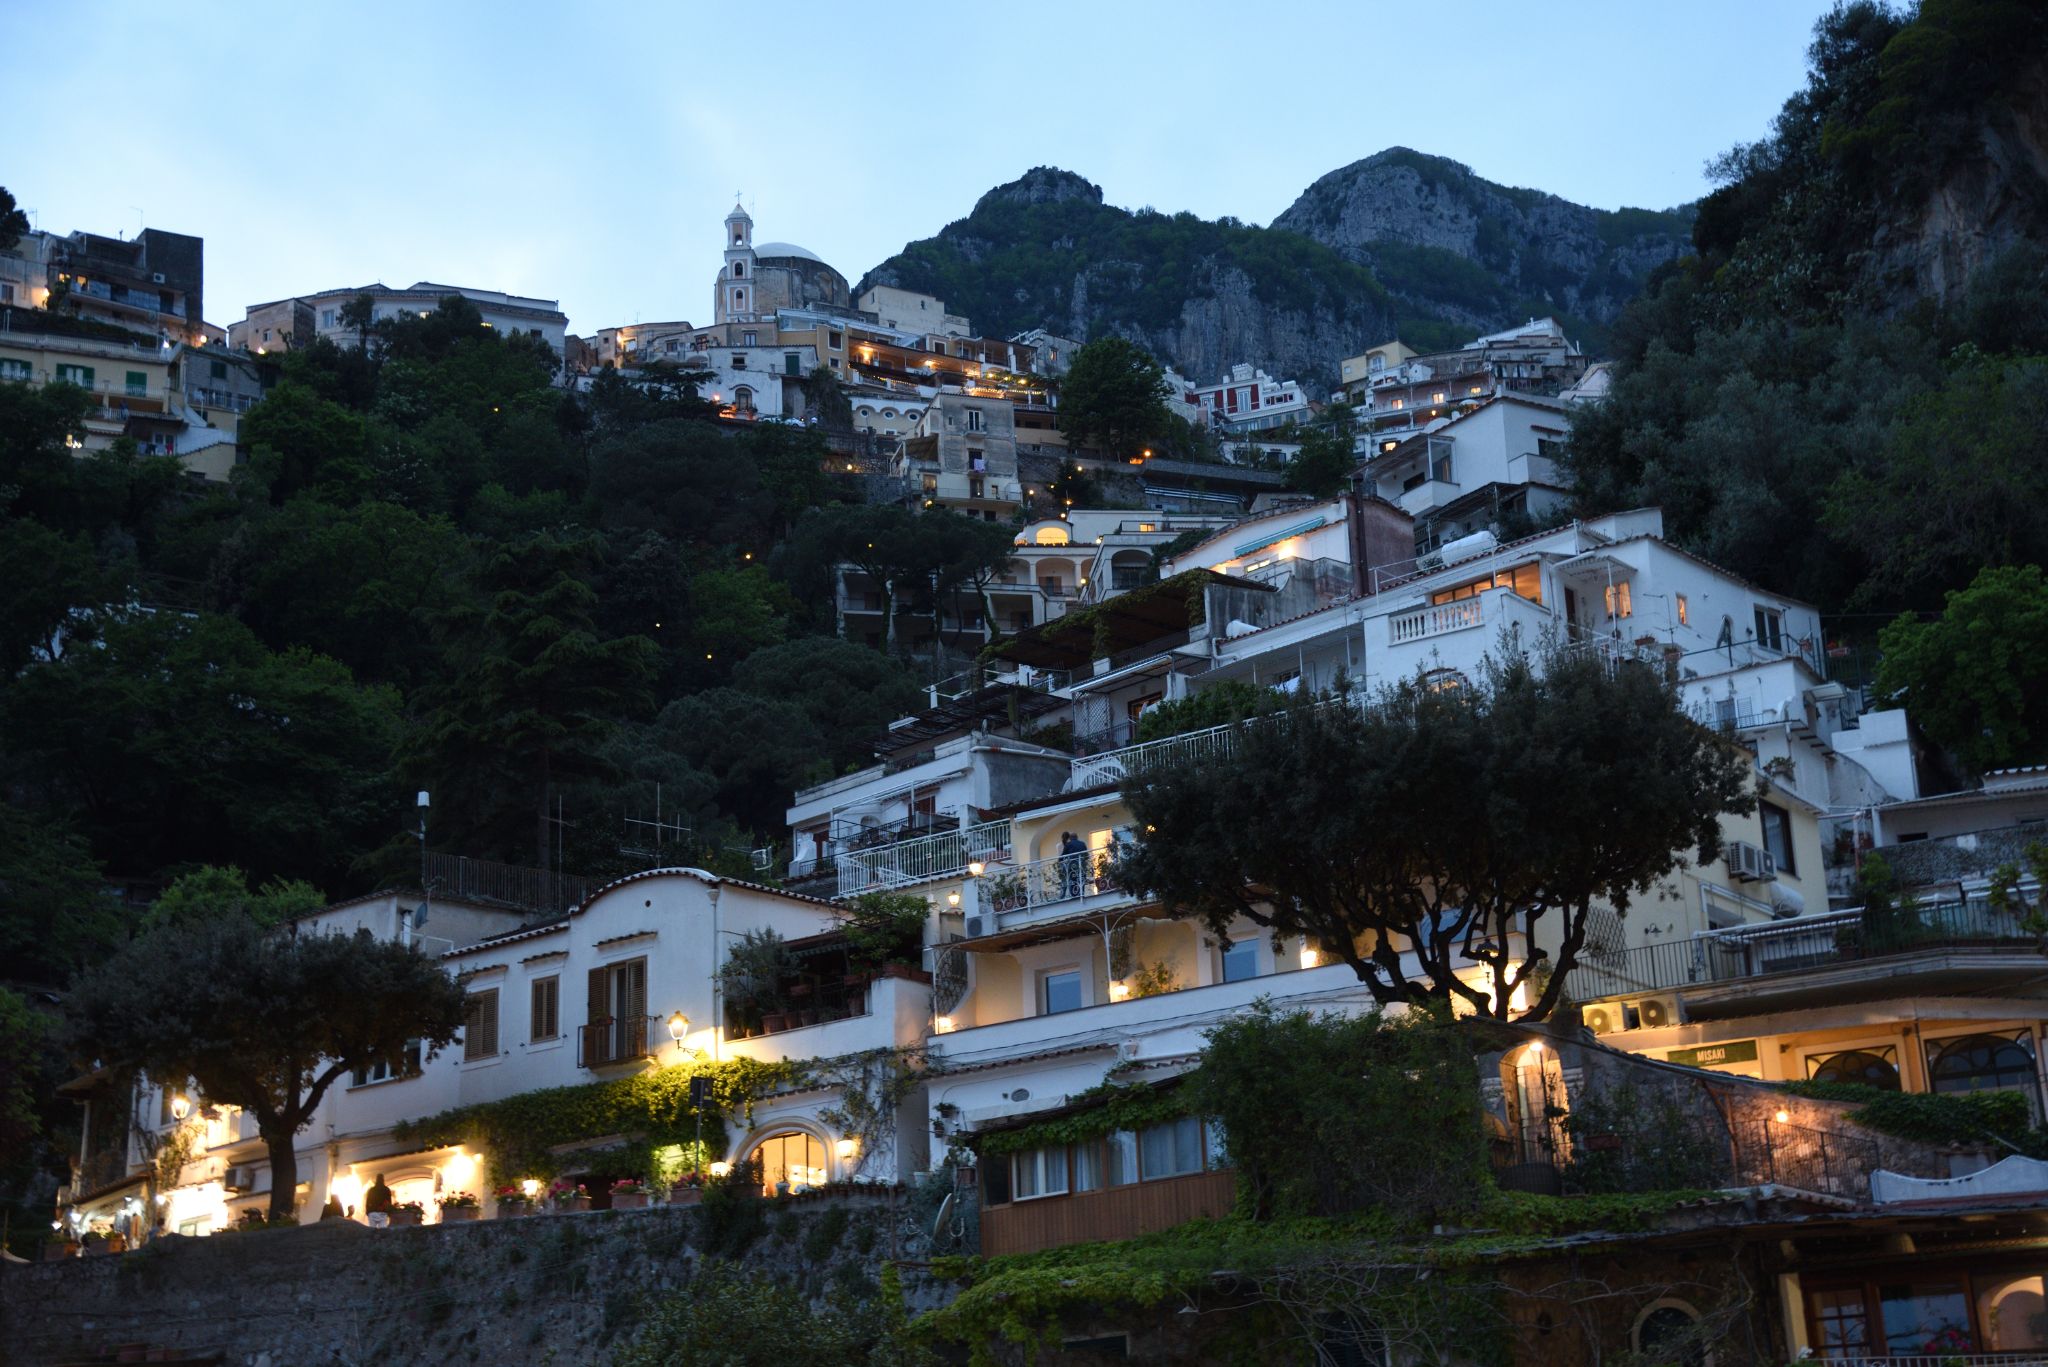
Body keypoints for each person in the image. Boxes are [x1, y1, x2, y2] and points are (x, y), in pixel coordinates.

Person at [1059, 831, 1087, 899]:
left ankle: (1074, 896)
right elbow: (1086, 855)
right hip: (1082, 866)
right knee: (1081, 879)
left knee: (1073, 880)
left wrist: (1060, 861)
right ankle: (1082, 894)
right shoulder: (1082, 843)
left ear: (1070, 838)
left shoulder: (1068, 844)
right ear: (1077, 837)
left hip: (1073, 866)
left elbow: (1063, 856)